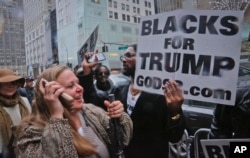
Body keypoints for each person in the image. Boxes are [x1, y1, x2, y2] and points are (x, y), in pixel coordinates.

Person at [79, 44, 185, 158]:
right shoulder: (120, 91)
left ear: (144, 59)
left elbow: (174, 136)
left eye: (129, 55)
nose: (123, 60)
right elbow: (93, 104)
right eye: (123, 56)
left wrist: (175, 111)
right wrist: (86, 72)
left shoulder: (160, 94)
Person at [13, 65, 133, 158]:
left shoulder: (91, 111)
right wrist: (56, 116)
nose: (80, 88)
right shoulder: (31, 132)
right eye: (70, 86)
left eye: (78, 83)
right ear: (49, 92)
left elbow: (123, 140)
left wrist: (118, 117)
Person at [0, 68, 31, 157]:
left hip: (25, 149)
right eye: (5, 83)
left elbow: (32, 124)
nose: (11, 86)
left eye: (13, 82)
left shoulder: (24, 101)